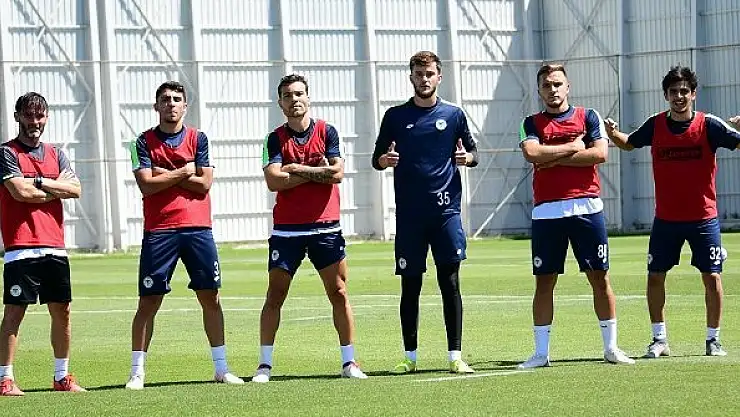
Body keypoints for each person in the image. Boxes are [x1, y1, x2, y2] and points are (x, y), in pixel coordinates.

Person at [605, 66, 740, 358]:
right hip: (666, 220)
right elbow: (629, 144)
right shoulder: (655, 125)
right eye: (673, 92)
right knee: (655, 276)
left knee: (712, 277)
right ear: (666, 95)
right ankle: (659, 340)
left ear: (694, 94)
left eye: (684, 91)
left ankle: (713, 340)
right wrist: (613, 134)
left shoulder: (710, 125)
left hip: (704, 219)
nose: (679, 96)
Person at [125, 81, 243, 390]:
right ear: (156, 106)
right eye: (165, 99)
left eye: (177, 99)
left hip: (198, 228)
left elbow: (204, 184)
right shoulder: (141, 142)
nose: (171, 104)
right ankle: (137, 373)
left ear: (185, 106)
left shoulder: (198, 138)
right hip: (159, 230)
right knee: (149, 301)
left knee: (210, 297)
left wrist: (164, 175)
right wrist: (183, 172)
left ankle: (221, 368)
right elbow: (146, 185)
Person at [517, 64, 635, 369]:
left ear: (567, 86)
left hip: (587, 208)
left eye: (557, 84)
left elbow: (599, 154)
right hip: (547, 212)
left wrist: (551, 158)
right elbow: (532, 154)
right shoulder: (530, 122)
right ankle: (540, 354)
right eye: (546, 85)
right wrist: (572, 147)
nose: (552, 90)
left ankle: (611, 348)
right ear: (539, 90)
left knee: (600, 278)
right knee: (544, 282)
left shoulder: (589, 116)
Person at [252, 73, 367, 383]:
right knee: (275, 294)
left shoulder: (327, 131)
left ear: (308, 97)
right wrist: (317, 171)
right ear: (280, 103)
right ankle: (264, 365)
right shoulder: (274, 139)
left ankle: (349, 362)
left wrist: (295, 169)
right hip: (287, 231)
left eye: (299, 93)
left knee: (339, 292)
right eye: (288, 95)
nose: (294, 100)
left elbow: (337, 174)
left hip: (325, 228)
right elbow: (274, 181)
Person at [372, 50, 478, 375]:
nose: (424, 79)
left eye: (429, 74)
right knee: (410, 286)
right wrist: (385, 161)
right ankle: (410, 358)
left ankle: (455, 356)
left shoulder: (454, 115)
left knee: (450, 282)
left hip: (446, 213)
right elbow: (377, 158)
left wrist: (467, 159)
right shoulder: (394, 116)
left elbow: (473, 152)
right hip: (410, 217)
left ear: (439, 77)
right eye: (419, 74)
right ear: (411, 78)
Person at [0, 92, 85, 396]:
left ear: (46, 117)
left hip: (55, 246)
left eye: (39, 115)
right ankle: (4, 379)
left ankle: (61, 377)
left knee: (62, 311)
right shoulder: (6, 153)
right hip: (20, 246)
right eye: (28, 115)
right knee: (14, 312)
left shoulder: (57, 154)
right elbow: (19, 193)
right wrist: (54, 189)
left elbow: (75, 189)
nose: (34, 121)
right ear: (17, 117)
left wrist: (38, 182)